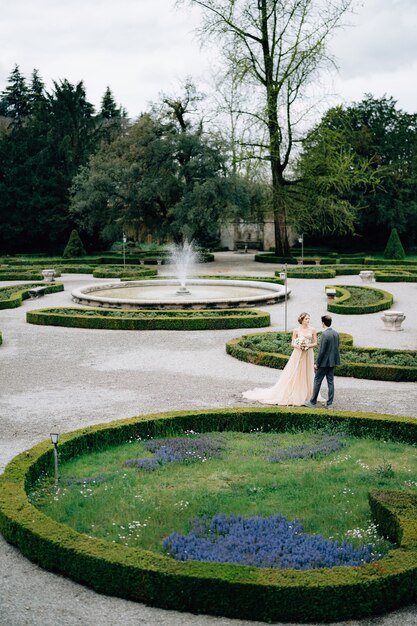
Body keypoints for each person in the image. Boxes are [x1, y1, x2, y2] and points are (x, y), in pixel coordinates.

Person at [242, 312, 318, 406]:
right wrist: (299, 346)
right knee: (297, 372)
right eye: (306, 319)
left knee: (307, 372)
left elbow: (315, 343)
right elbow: (292, 343)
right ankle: (296, 392)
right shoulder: (296, 330)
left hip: (308, 353)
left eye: (308, 318)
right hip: (298, 353)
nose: (308, 320)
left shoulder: (313, 329)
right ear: (301, 320)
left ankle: (308, 394)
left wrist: (308, 345)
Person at [304, 314, 340, 409]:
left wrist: (317, 363)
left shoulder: (324, 334)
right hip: (332, 362)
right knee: (331, 382)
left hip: (324, 363)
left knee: (317, 381)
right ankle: (330, 403)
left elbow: (322, 351)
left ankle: (312, 402)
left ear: (323, 323)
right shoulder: (336, 333)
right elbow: (337, 347)